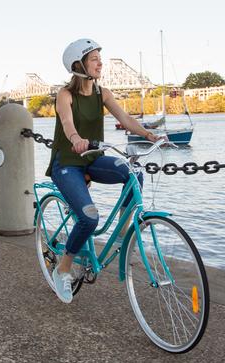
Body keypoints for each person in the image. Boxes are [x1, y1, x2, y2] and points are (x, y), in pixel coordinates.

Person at [45, 38, 163, 303]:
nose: (101, 63)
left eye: (100, 57)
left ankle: (124, 231)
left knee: (133, 172)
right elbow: (67, 122)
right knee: (89, 218)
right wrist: (75, 139)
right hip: (67, 163)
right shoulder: (65, 95)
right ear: (80, 65)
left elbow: (125, 119)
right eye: (94, 58)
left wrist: (148, 134)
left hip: (93, 159)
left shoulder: (103, 93)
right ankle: (63, 269)